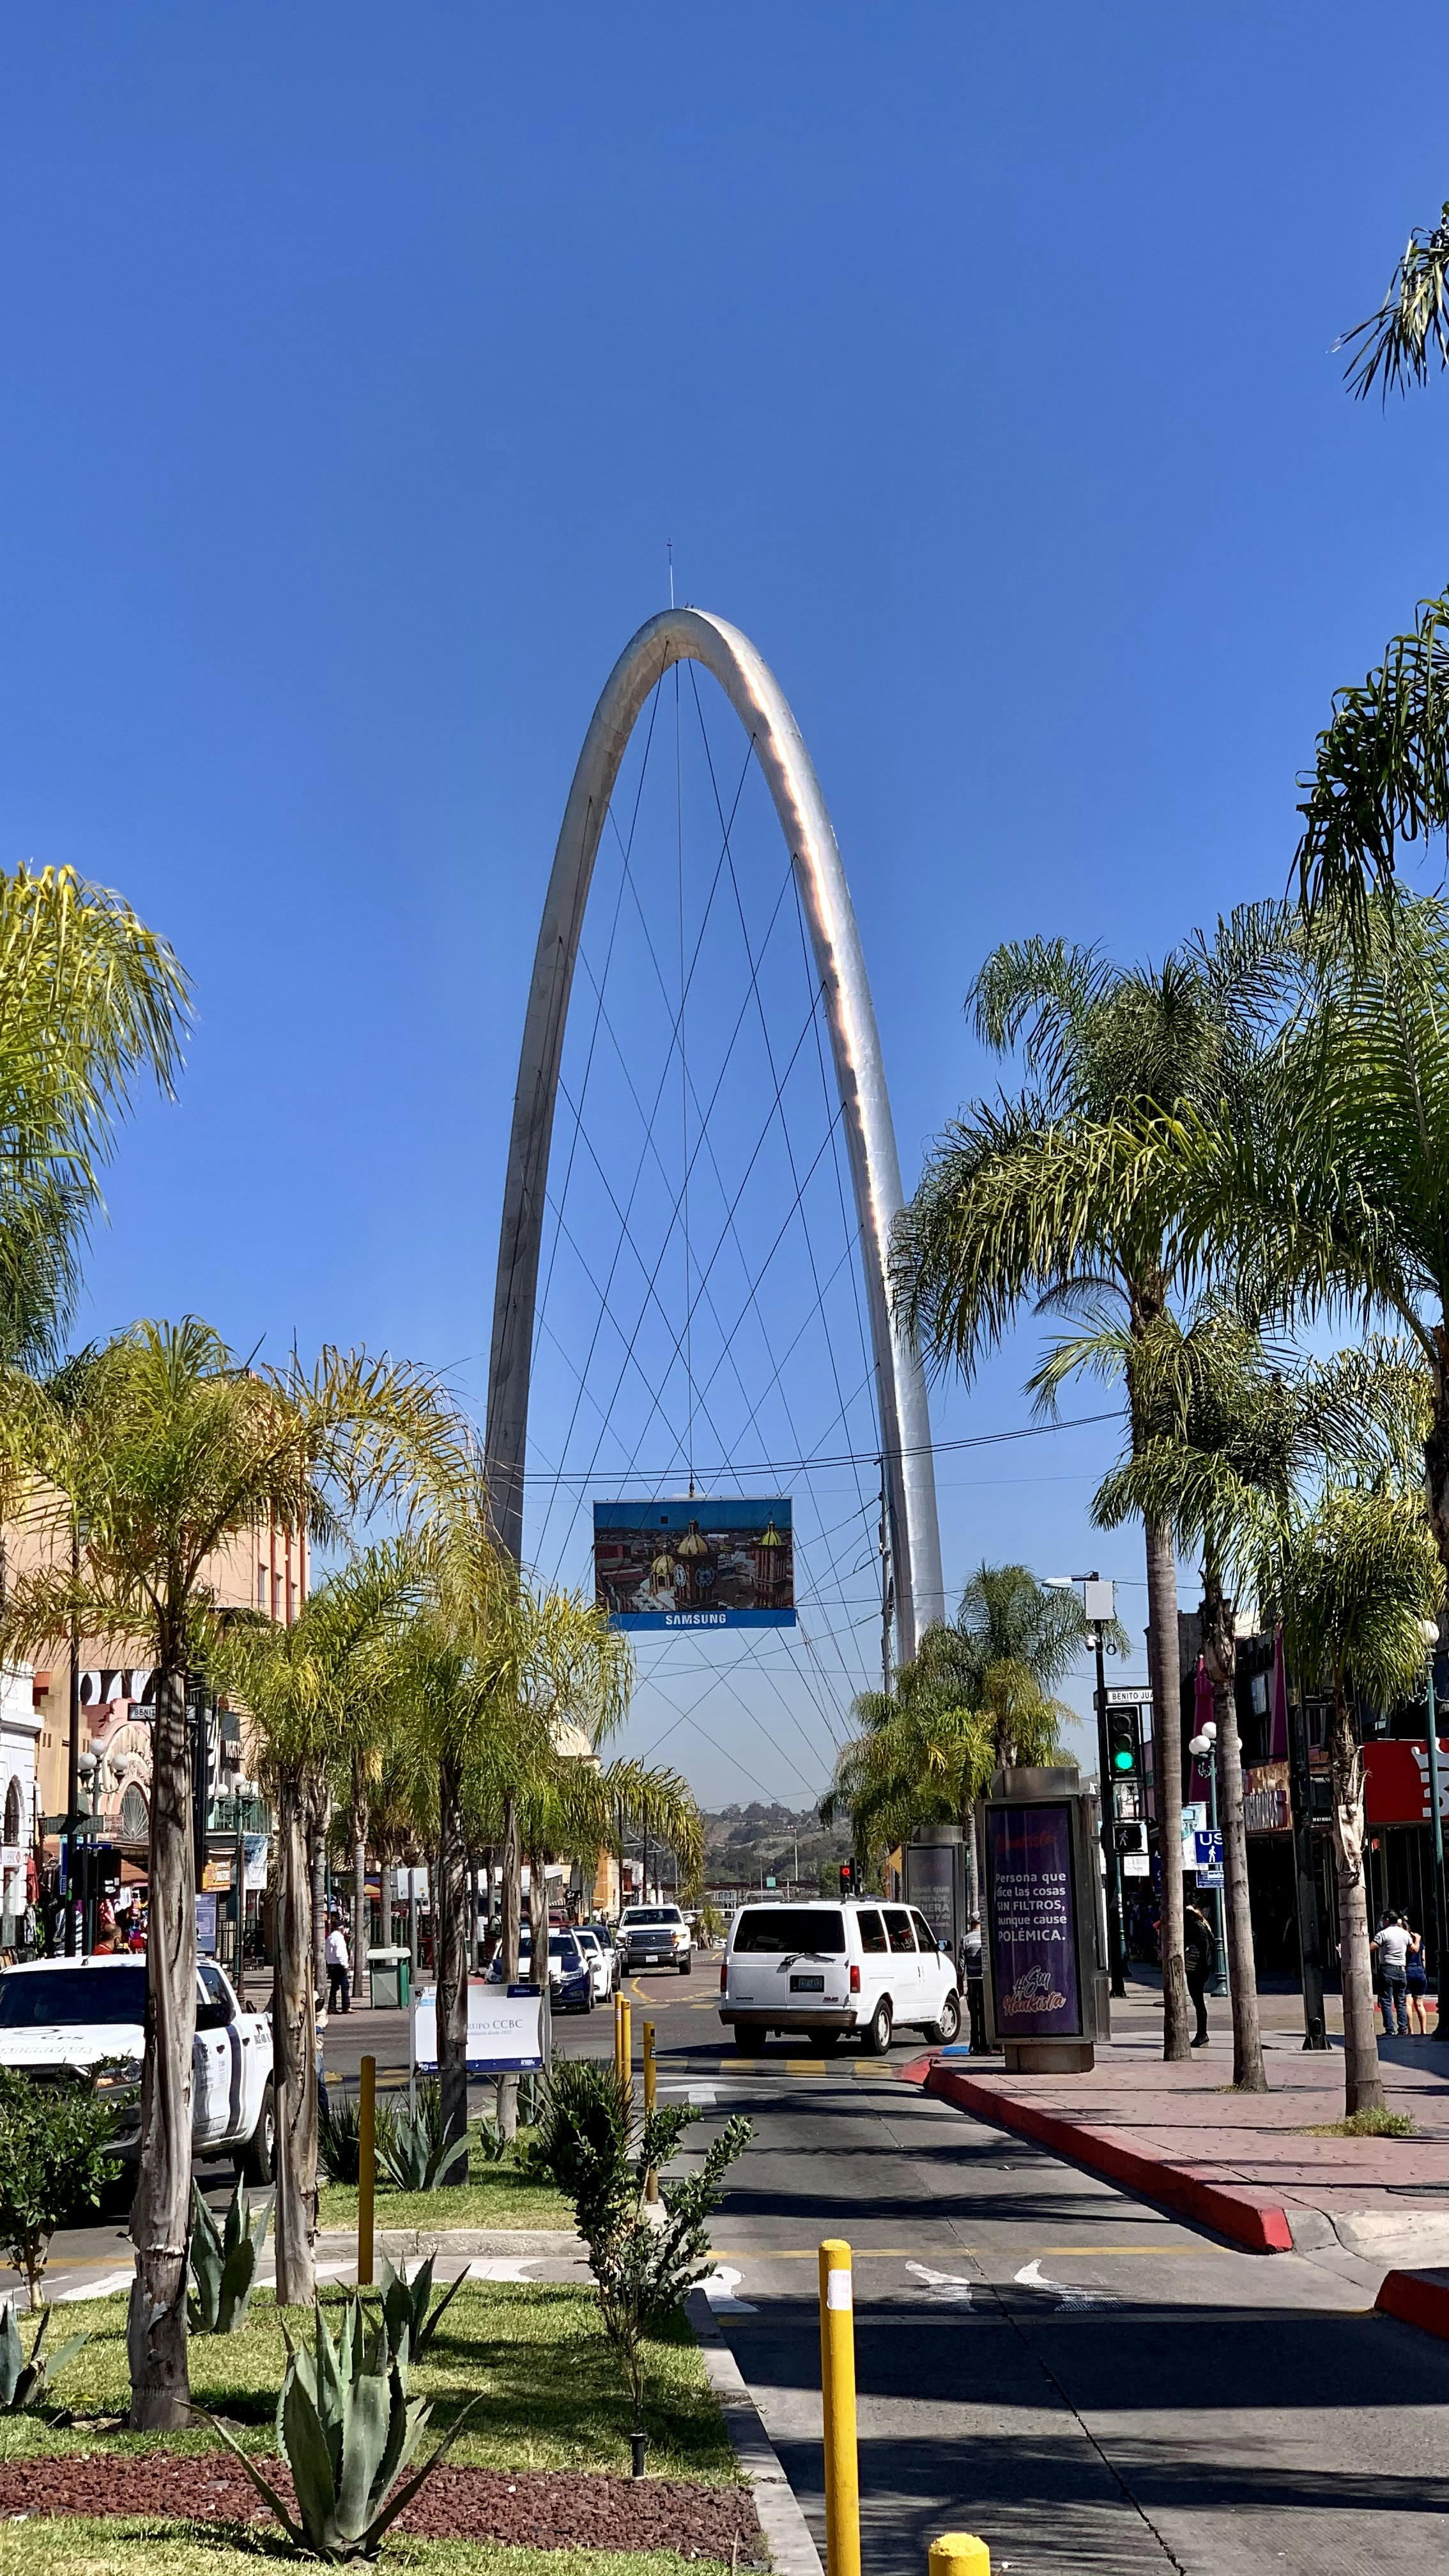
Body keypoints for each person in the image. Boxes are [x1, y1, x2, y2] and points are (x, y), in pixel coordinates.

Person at [1373, 1910, 1411, 2037]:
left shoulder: (1383, 1934)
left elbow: (1371, 1947)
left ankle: (1390, 2029)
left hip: (1387, 1968)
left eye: (1383, 1919)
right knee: (1401, 2001)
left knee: (1386, 2000)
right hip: (1401, 1970)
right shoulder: (1405, 1934)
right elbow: (1414, 1949)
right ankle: (1403, 2028)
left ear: (1387, 1920)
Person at [1183, 1900, 1214, 2048]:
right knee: (1198, 2002)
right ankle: (1202, 2034)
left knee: (1198, 2002)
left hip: (1197, 1968)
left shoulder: (1196, 1927)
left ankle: (1202, 2034)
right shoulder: (1203, 1925)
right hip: (1201, 1967)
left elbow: (1202, 1947)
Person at [960, 1913, 985, 2052]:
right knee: (985, 2013)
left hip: (972, 1982)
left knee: (974, 2015)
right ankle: (986, 2043)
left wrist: (960, 1982)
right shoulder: (985, 1938)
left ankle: (975, 2044)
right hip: (984, 1982)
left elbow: (961, 1964)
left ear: (971, 1923)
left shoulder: (966, 1939)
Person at [1405, 1922, 1430, 2036]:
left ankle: (1410, 2031)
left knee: (1408, 2004)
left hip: (1408, 1972)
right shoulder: (1420, 1943)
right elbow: (1424, 1959)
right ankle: (1423, 2031)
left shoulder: (1405, 1942)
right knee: (1420, 2004)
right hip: (1420, 1972)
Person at [325, 1914, 351, 2014]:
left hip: (331, 1965)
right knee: (345, 1986)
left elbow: (327, 1953)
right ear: (342, 1928)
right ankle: (346, 2007)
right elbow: (339, 1953)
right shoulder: (339, 1938)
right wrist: (345, 1965)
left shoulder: (330, 1937)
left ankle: (332, 2007)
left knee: (334, 1987)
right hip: (339, 1965)